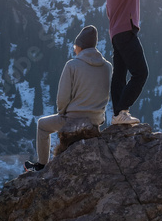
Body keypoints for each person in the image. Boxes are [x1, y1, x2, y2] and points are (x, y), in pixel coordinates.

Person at [25, 25, 112, 171]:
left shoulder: (72, 65)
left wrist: (62, 112)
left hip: (74, 119)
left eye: (75, 46)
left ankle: (41, 165)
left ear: (80, 46)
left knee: (42, 125)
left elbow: (63, 97)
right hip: (96, 120)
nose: (74, 49)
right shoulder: (107, 66)